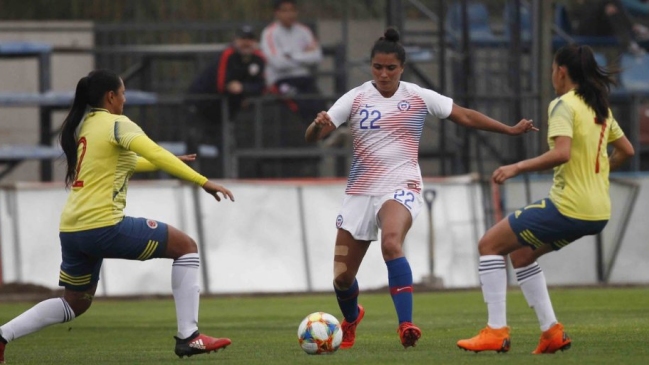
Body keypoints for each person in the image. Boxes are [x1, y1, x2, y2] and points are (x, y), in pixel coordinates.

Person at [304, 28, 537, 349]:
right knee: (342, 278)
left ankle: (406, 325)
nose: (383, 74)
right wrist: (317, 126)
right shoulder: (355, 97)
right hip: (359, 192)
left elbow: (465, 115)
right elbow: (314, 136)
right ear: (370, 66)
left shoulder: (417, 96)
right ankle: (353, 316)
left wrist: (509, 130)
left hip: (401, 187)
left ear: (402, 68)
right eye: (377, 67)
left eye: (390, 68)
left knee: (391, 243)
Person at [0, 69, 235, 363]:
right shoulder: (117, 124)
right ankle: (189, 336)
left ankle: (1, 336)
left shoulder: (88, 125)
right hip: (103, 226)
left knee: (74, 304)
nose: (124, 100)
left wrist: (168, 161)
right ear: (111, 96)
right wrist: (204, 181)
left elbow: (130, 162)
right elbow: (154, 152)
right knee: (186, 247)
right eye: (122, 94)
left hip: (72, 229)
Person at [456, 44, 635, 354]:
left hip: (569, 207)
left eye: (553, 69)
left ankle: (496, 331)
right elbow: (627, 151)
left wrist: (516, 166)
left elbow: (562, 153)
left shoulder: (563, 104)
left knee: (489, 245)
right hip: (598, 211)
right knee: (522, 254)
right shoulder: (599, 106)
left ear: (561, 72)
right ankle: (551, 332)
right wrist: (597, 176)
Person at [186, 24, 266, 178]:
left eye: (250, 39)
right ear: (236, 40)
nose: (246, 43)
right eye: (243, 39)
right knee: (194, 142)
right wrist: (240, 90)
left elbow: (261, 87)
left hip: (225, 111)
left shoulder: (258, 58)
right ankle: (188, 176)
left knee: (224, 145)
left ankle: (224, 177)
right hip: (201, 104)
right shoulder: (228, 55)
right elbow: (222, 84)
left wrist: (243, 89)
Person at [261, 0, 326, 121]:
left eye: (292, 10)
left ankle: (329, 136)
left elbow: (317, 57)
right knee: (300, 105)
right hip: (281, 80)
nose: (289, 14)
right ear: (277, 13)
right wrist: (304, 56)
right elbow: (278, 63)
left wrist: (291, 56)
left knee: (320, 106)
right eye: (285, 11)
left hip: (303, 78)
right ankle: (312, 136)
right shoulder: (269, 33)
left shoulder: (304, 31)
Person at [563, 0, 649, 56]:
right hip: (583, 28)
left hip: (600, 26)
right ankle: (633, 29)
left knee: (610, 7)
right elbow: (580, 12)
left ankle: (629, 41)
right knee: (605, 3)